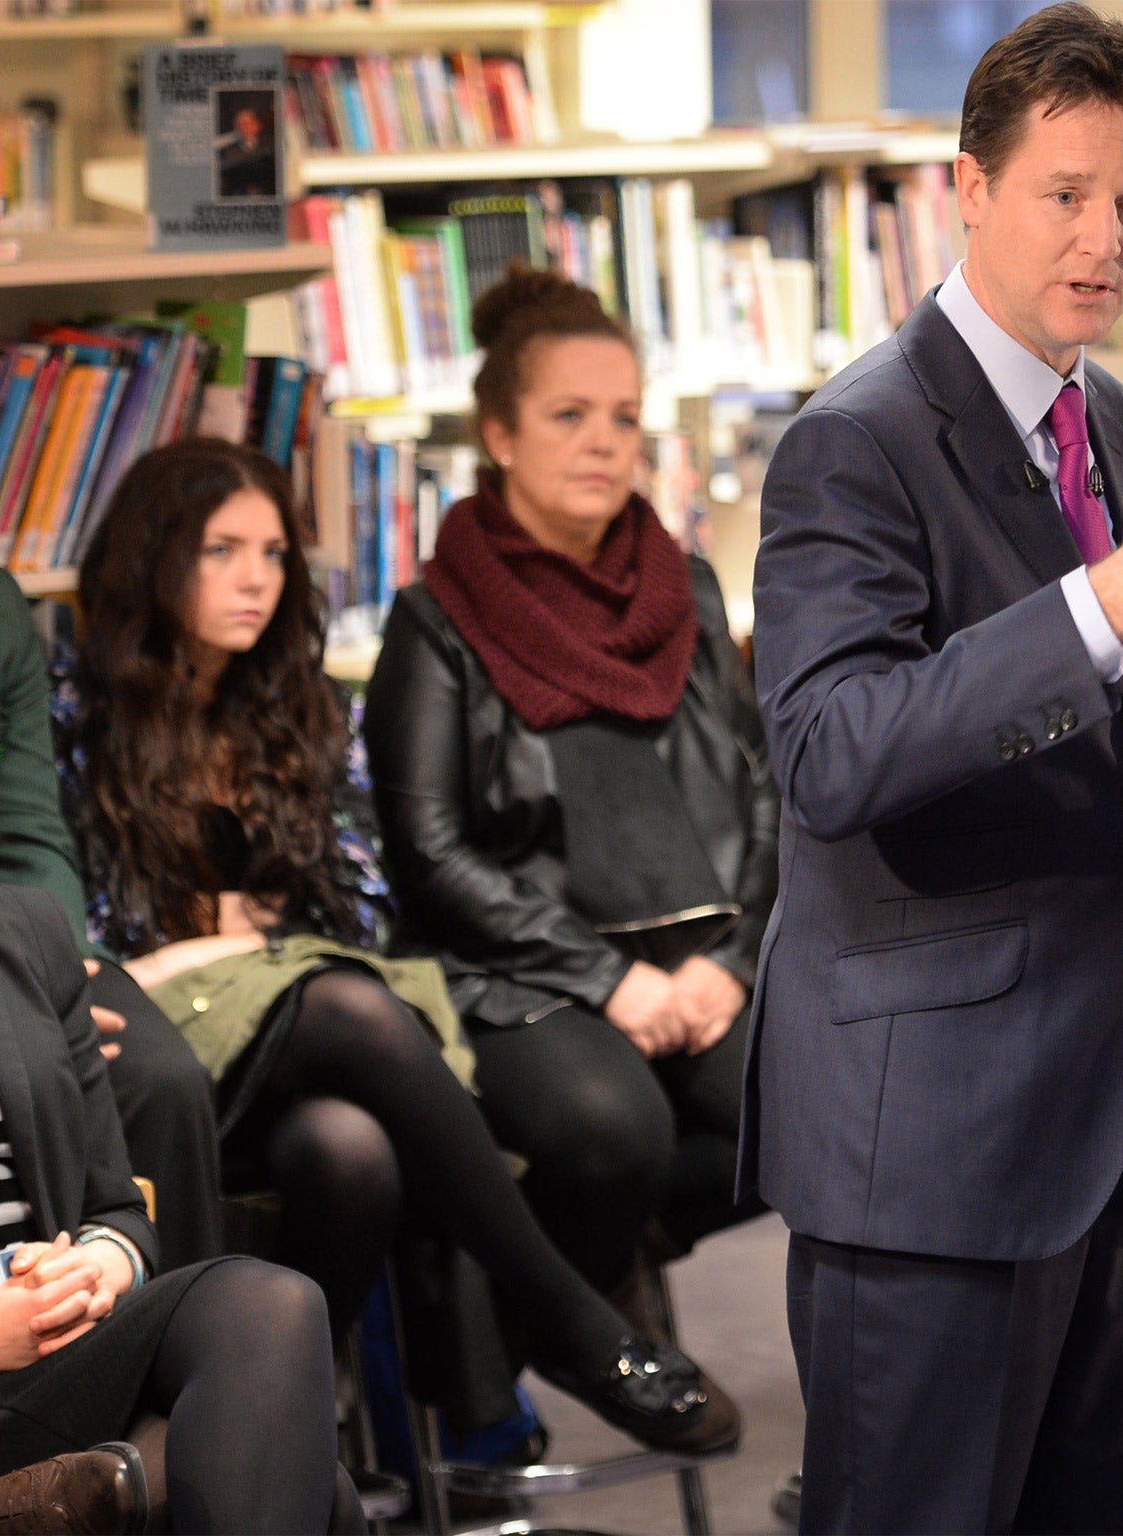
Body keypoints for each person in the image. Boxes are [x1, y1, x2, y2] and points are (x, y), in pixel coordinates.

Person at [746, 6, 1123, 1530]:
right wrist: (1093, 609)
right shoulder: (853, 441)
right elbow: (832, 756)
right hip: (932, 1139)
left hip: (1105, 1116)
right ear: (964, 189)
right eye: (1064, 195)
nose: (1106, 237)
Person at [63, 437, 734, 1457]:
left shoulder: (304, 707)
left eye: (276, 554)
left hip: (299, 1056)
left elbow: (364, 912)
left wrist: (223, 941)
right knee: (344, 1004)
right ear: (151, 556)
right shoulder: (80, 716)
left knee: (352, 1151)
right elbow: (92, 944)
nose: (256, 579)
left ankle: (284, 1444)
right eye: (221, 550)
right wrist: (234, 940)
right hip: (162, 1063)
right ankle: (568, 1313)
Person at [364, 265, 775, 1312]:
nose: (604, 441)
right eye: (569, 415)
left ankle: (568, 1283)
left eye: (624, 417)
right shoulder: (435, 619)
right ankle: (559, 1327)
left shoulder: (690, 586)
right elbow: (430, 852)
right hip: (523, 969)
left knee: (824, 1113)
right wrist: (607, 980)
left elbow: (763, 787)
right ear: (499, 435)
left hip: (700, 957)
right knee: (611, 1130)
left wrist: (726, 964)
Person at [0, 881, 360, 1534]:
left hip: (56, 1350)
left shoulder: (21, 926)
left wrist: (94, 1270)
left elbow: (117, 1208)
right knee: (308, 1480)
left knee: (269, 1306)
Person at [0, 558, 225, 1273]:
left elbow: (25, 827)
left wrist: (55, 964)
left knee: (165, 1074)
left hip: (6, 929)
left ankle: (165, 1348)